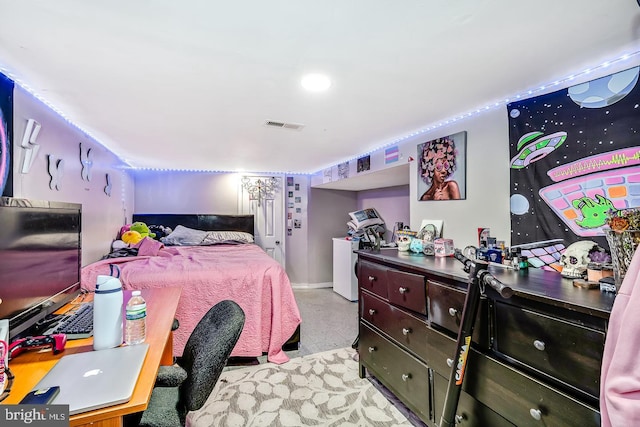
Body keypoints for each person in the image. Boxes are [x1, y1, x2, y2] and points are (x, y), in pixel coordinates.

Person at [419, 136, 461, 200]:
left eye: (446, 165)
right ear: (430, 168)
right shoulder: (425, 197)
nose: (444, 171)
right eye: (439, 167)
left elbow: (459, 208)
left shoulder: (451, 186)